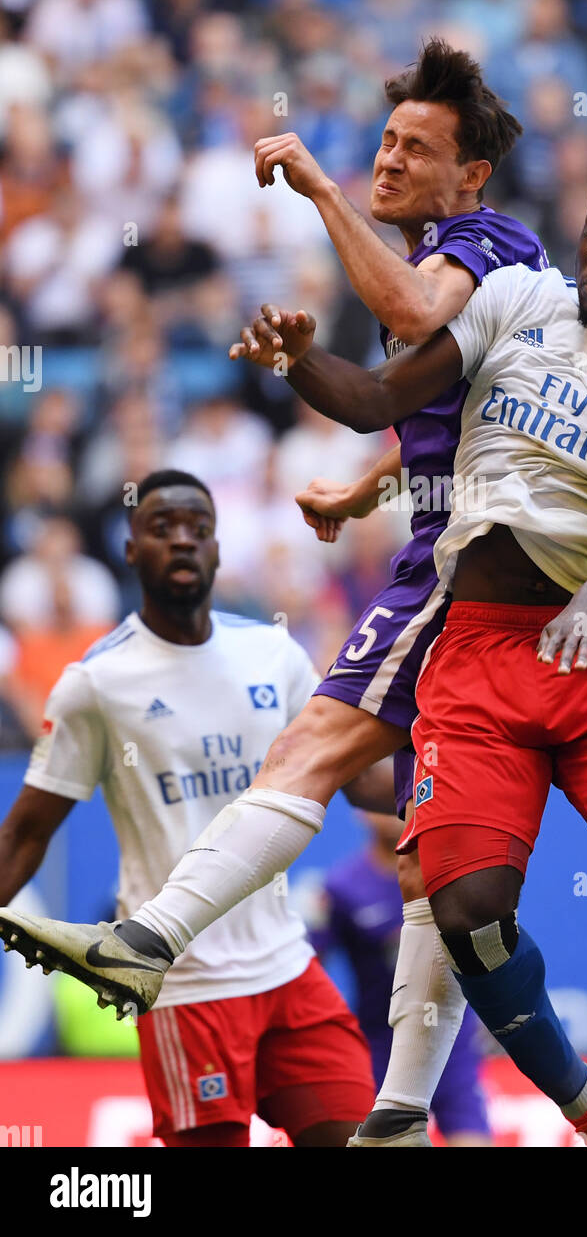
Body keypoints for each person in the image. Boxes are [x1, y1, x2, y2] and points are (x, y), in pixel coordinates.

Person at [0, 162, 587, 1146]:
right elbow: (379, 400)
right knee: (471, 919)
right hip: (479, 653)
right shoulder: (517, 298)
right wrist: (298, 362)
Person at [0, 38, 547, 1150]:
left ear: (472, 175)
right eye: (385, 142)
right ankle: (418, 1102)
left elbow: (403, 315)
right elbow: (424, 407)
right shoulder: (101, 678)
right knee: (433, 855)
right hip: (496, 567)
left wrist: (322, 189)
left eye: (417, 149)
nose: (391, 160)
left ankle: (148, 937)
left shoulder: (473, 249)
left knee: (309, 751)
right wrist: (358, 475)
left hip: (466, 573)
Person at [0, 470, 377, 1147]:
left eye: (197, 531)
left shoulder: (274, 655)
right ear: (130, 551)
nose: (182, 542)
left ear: (219, 550)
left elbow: (358, 780)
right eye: (162, 529)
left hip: (288, 967)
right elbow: (27, 834)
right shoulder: (96, 684)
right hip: (185, 987)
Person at [314, 811, 493, 1147]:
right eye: (382, 801)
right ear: (361, 808)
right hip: (380, 1042)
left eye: (400, 800)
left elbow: (489, 949)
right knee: (376, 1138)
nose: (392, 811)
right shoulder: (341, 886)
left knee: (471, 1135)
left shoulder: (451, 875)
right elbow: (311, 962)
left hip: (450, 1036)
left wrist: (496, 1012)